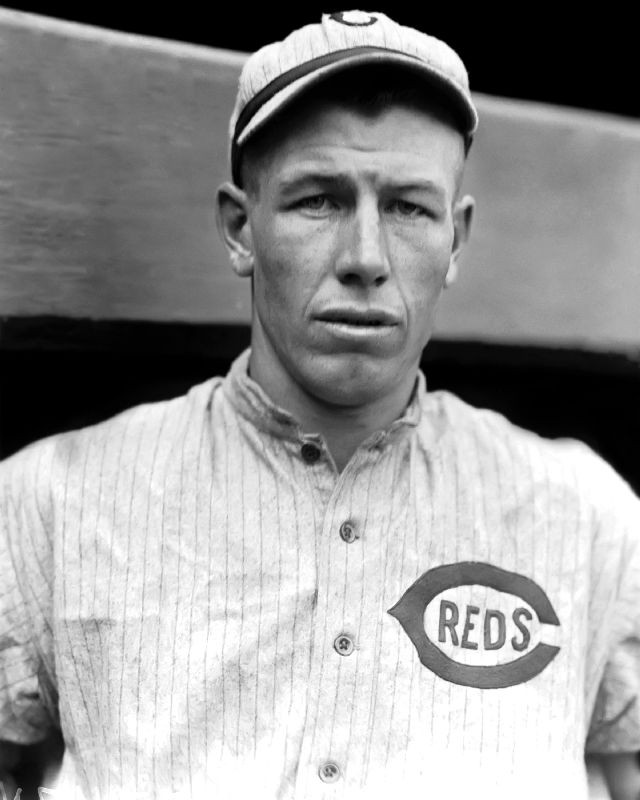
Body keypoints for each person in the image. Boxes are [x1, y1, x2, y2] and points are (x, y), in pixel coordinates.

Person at [1, 9, 639, 800]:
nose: (365, 259)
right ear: (241, 229)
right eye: (319, 201)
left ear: (458, 241)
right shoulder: (48, 507)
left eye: (409, 207)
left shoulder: (589, 522)